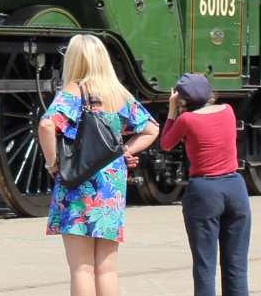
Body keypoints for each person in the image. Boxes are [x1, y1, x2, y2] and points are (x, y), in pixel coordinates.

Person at [37, 34, 161, 296]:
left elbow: (47, 125)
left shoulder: (73, 91)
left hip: (78, 182)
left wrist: (52, 163)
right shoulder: (119, 94)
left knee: (81, 268)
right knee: (107, 268)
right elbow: (151, 129)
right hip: (111, 184)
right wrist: (123, 150)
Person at [159, 73, 249, 296]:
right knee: (236, 266)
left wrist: (172, 110)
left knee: (205, 266)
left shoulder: (187, 120)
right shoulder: (228, 111)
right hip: (235, 188)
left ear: (183, 99)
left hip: (204, 192)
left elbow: (166, 143)